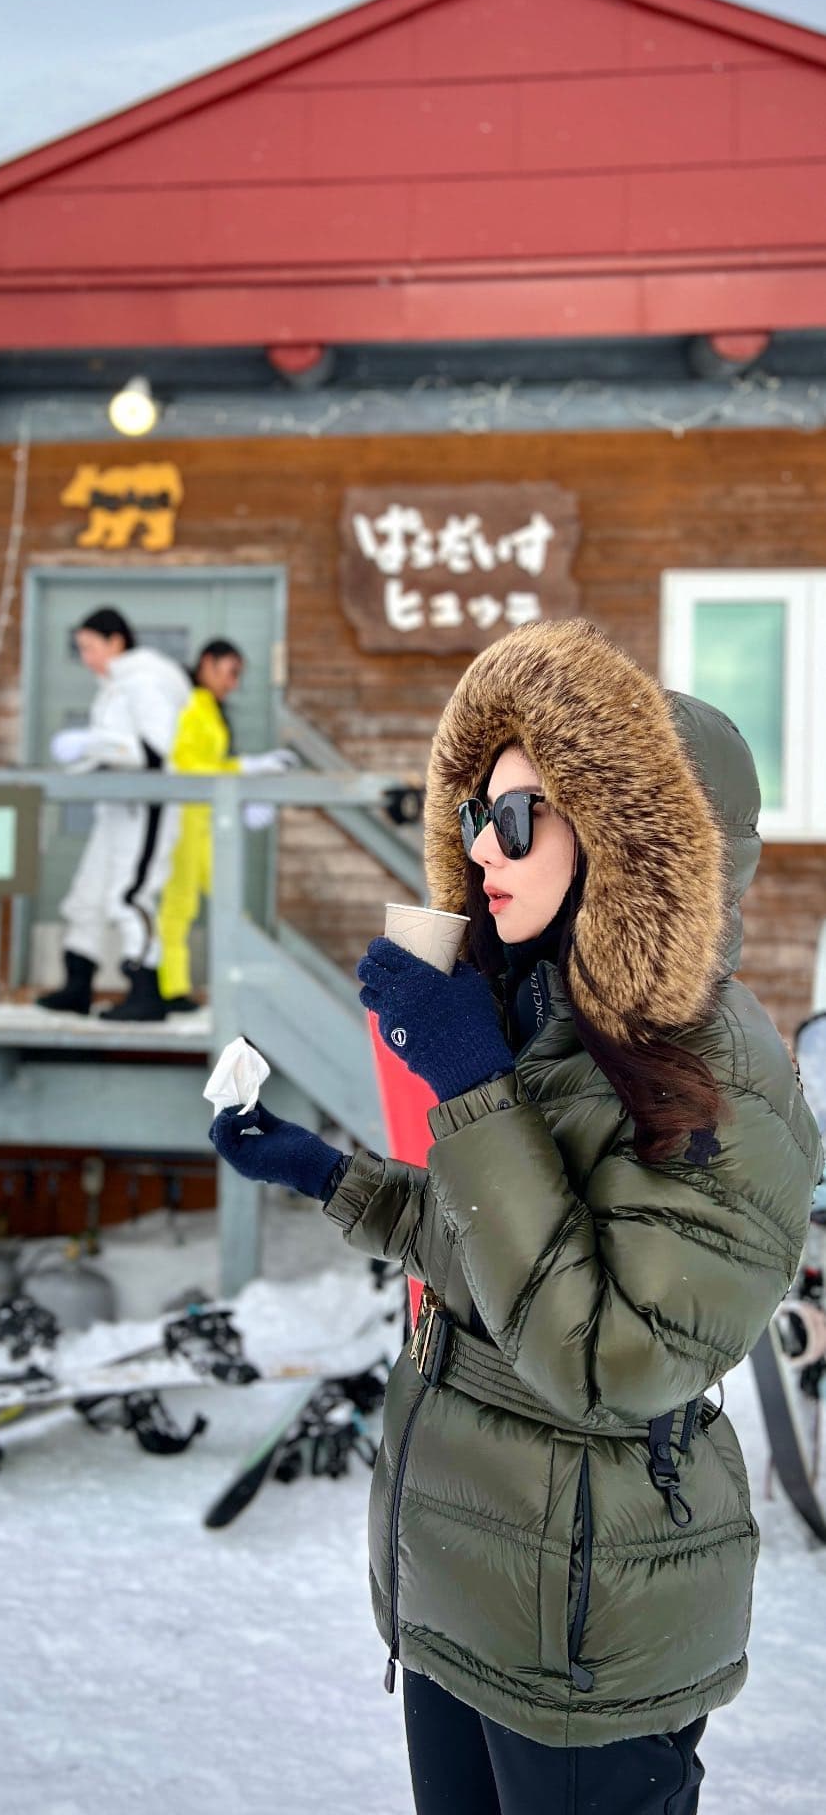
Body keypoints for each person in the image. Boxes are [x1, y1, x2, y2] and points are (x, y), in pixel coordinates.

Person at [209, 617, 822, 1815]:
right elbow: (494, 1254)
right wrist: (328, 1177)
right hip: (465, 1594)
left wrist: (470, 1088)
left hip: (588, 1639)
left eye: (523, 815)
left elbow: (606, 1358)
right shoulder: (545, 1013)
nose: (483, 843)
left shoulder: (723, 1075)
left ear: (638, 841)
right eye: (477, 812)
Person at [38, 608, 190, 1022]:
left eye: (89, 646)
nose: (85, 657)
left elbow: (155, 750)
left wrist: (92, 743)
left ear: (115, 641)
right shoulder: (112, 687)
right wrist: (81, 761)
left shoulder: (144, 682)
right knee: (86, 895)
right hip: (114, 810)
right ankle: (78, 984)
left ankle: (145, 990)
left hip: (146, 808)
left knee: (128, 895)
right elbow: (114, 750)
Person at [156, 638, 297, 1015]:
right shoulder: (188, 705)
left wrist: (243, 788)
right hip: (185, 817)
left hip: (208, 820)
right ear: (207, 663)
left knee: (226, 899)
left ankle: (244, 983)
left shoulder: (208, 708)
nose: (233, 683)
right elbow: (187, 767)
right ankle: (171, 988)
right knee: (179, 902)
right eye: (230, 672)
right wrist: (246, 769)